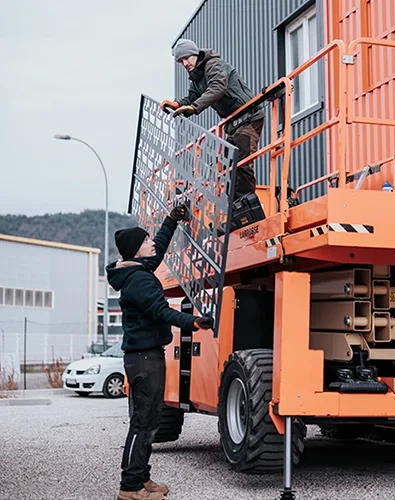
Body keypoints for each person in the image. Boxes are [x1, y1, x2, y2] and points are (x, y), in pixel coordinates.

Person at [106, 204, 213, 500]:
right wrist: (193, 322)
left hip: (146, 356)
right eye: (146, 241)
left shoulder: (136, 270)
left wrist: (171, 220)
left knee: (150, 420)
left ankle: (142, 478)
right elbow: (160, 310)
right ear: (136, 250)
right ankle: (130, 487)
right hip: (143, 359)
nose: (151, 242)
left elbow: (160, 249)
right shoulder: (139, 280)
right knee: (142, 423)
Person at [161, 38, 265, 202]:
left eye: (187, 58)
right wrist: (176, 104)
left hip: (249, 116)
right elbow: (192, 97)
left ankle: (247, 207)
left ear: (195, 53)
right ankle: (234, 207)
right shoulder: (196, 77)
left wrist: (195, 108)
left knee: (242, 163)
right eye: (181, 61)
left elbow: (218, 86)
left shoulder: (212, 64)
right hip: (234, 124)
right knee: (227, 166)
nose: (185, 63)